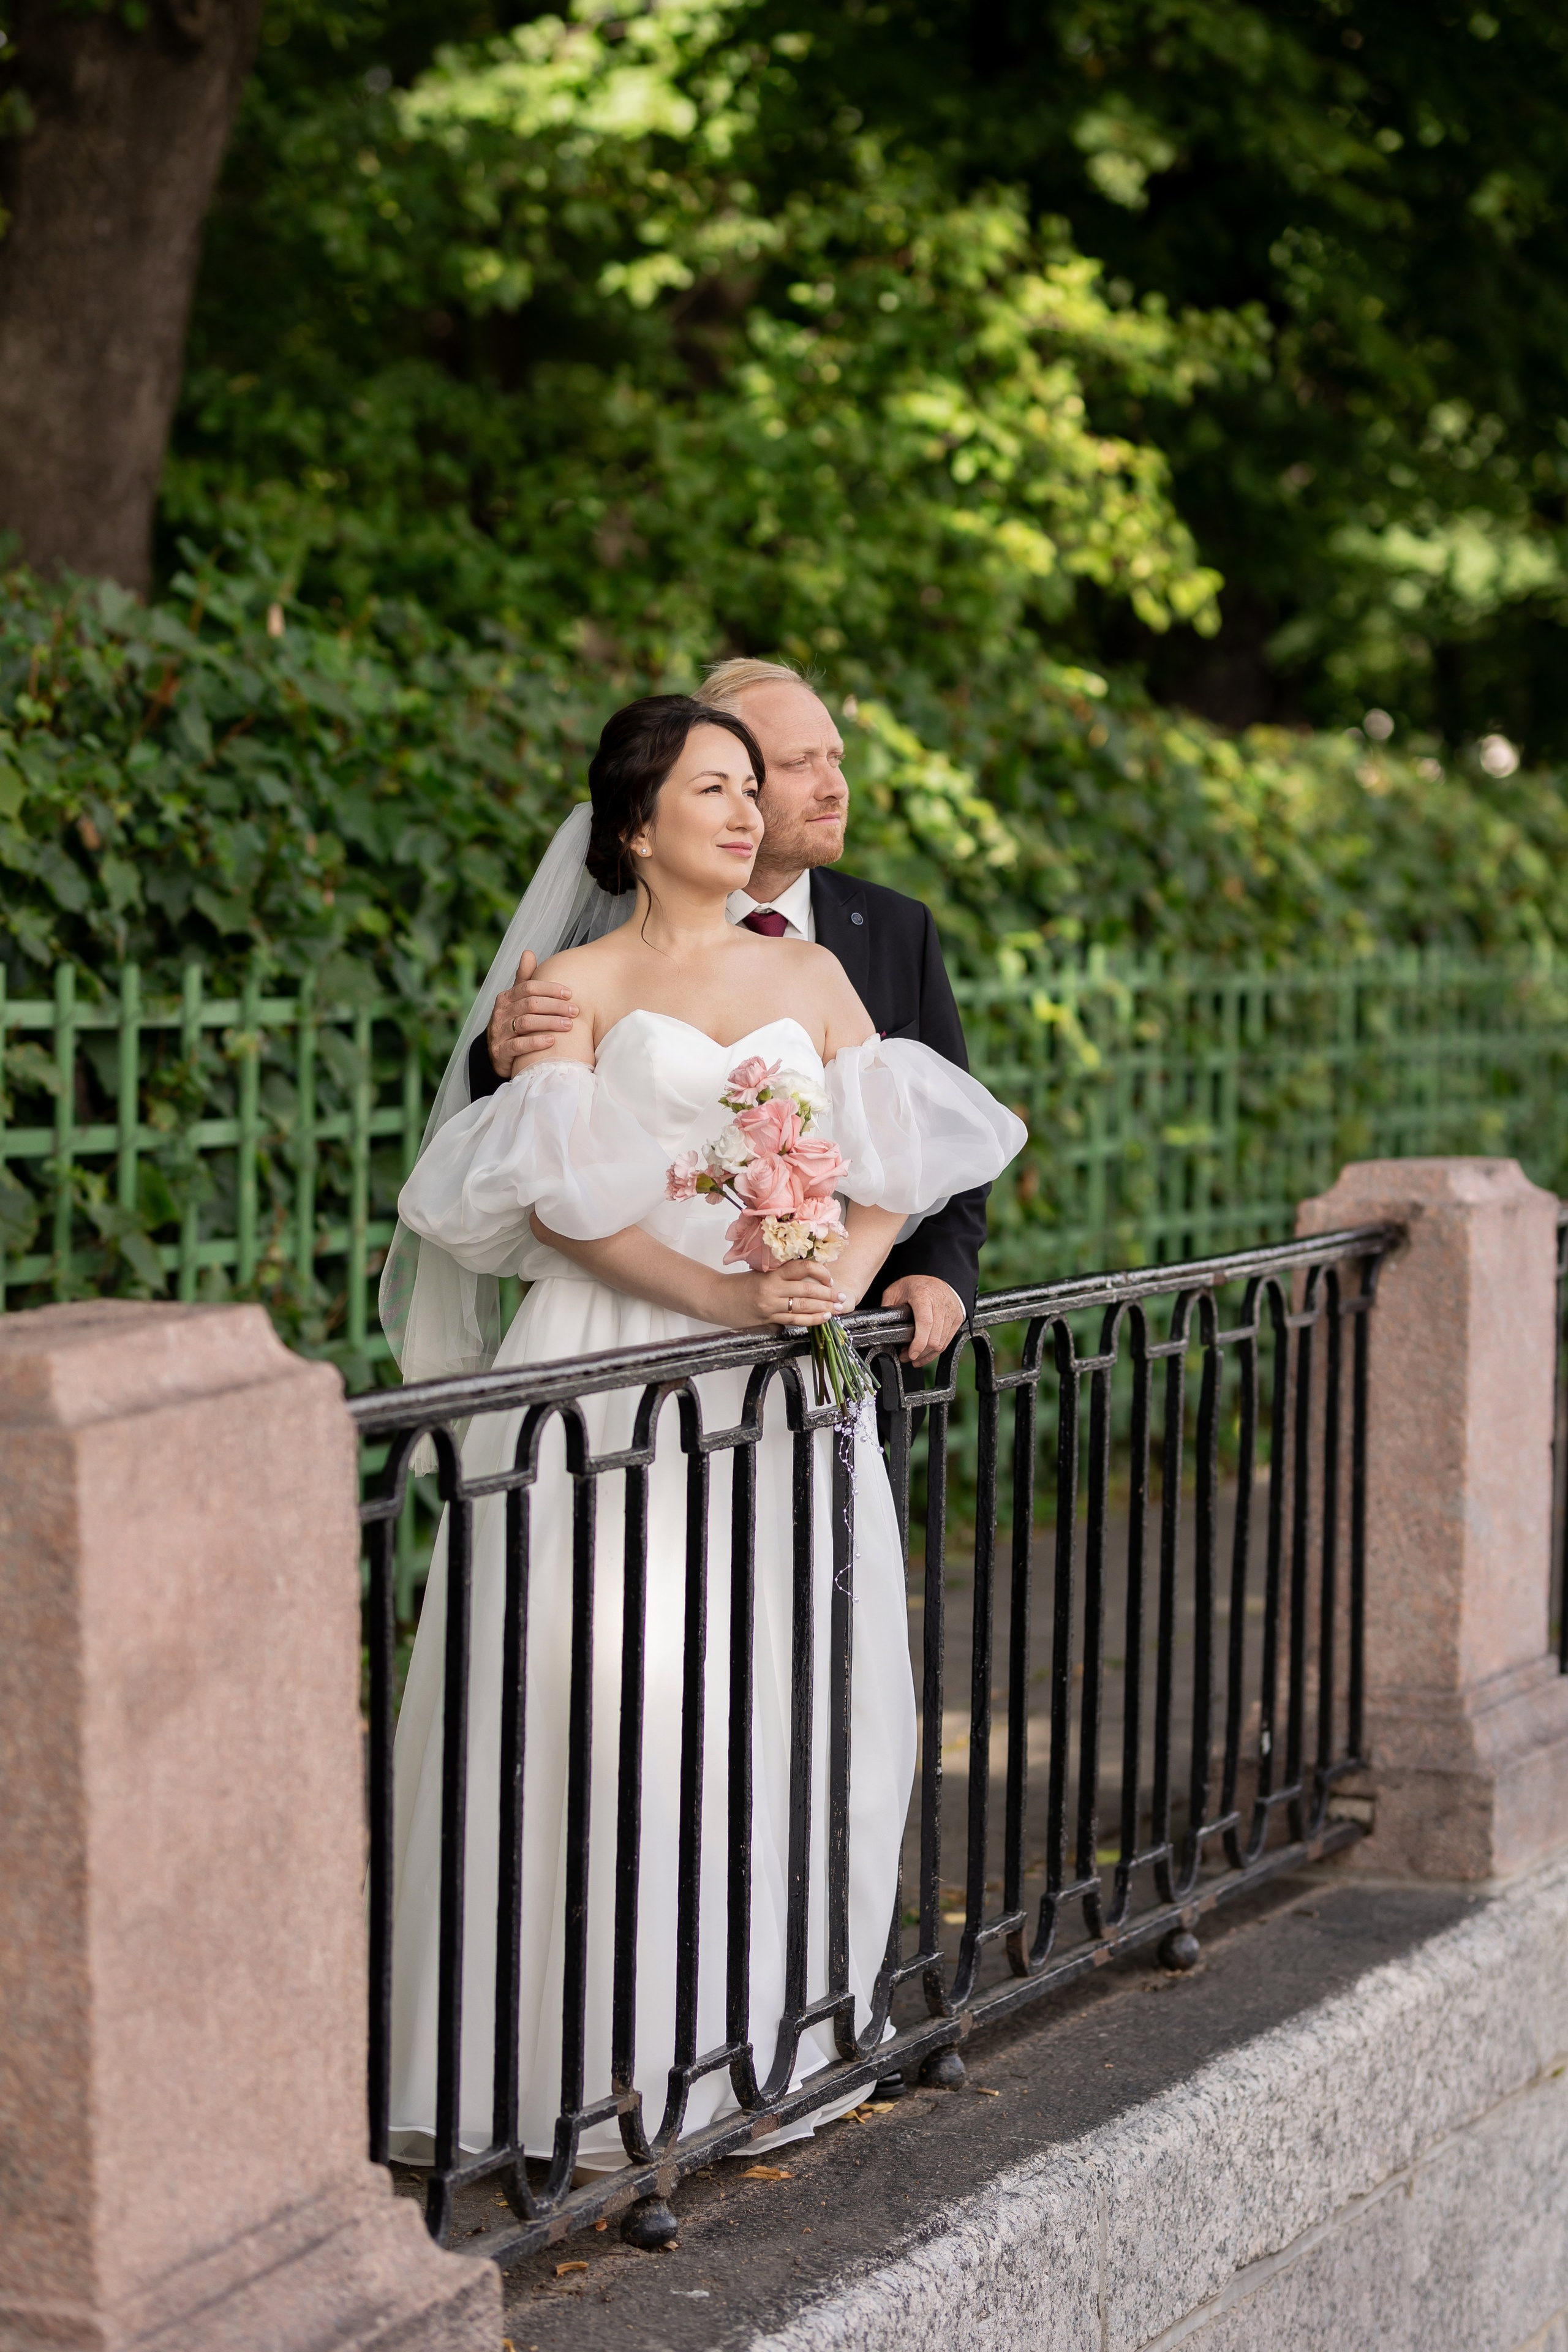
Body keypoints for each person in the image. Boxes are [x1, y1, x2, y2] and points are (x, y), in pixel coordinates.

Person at [380, 695, 1025, 2170]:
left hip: (786, 1385)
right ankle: (570, 2068)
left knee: (782, 1695)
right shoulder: (570, 987)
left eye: (753, 787)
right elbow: (552, 1201)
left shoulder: (805, 970)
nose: (747, 814)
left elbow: (902, 1143)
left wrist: (833, 1281)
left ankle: (757, 2041)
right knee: (588, 1699)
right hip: (611, 1367)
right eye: (713, 789)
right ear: (633, 826)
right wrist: (719, 1291)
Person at [467, 658, 984, 1370]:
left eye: (835, 758)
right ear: (641, 824)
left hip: (813, 1345)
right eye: (797, 763)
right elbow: (543, 1175)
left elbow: (925, 1140)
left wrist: (850, 1291)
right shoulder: (577, 966)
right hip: (617, 1338)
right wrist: (497, 1055)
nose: (834, 785)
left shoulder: (870, 942)